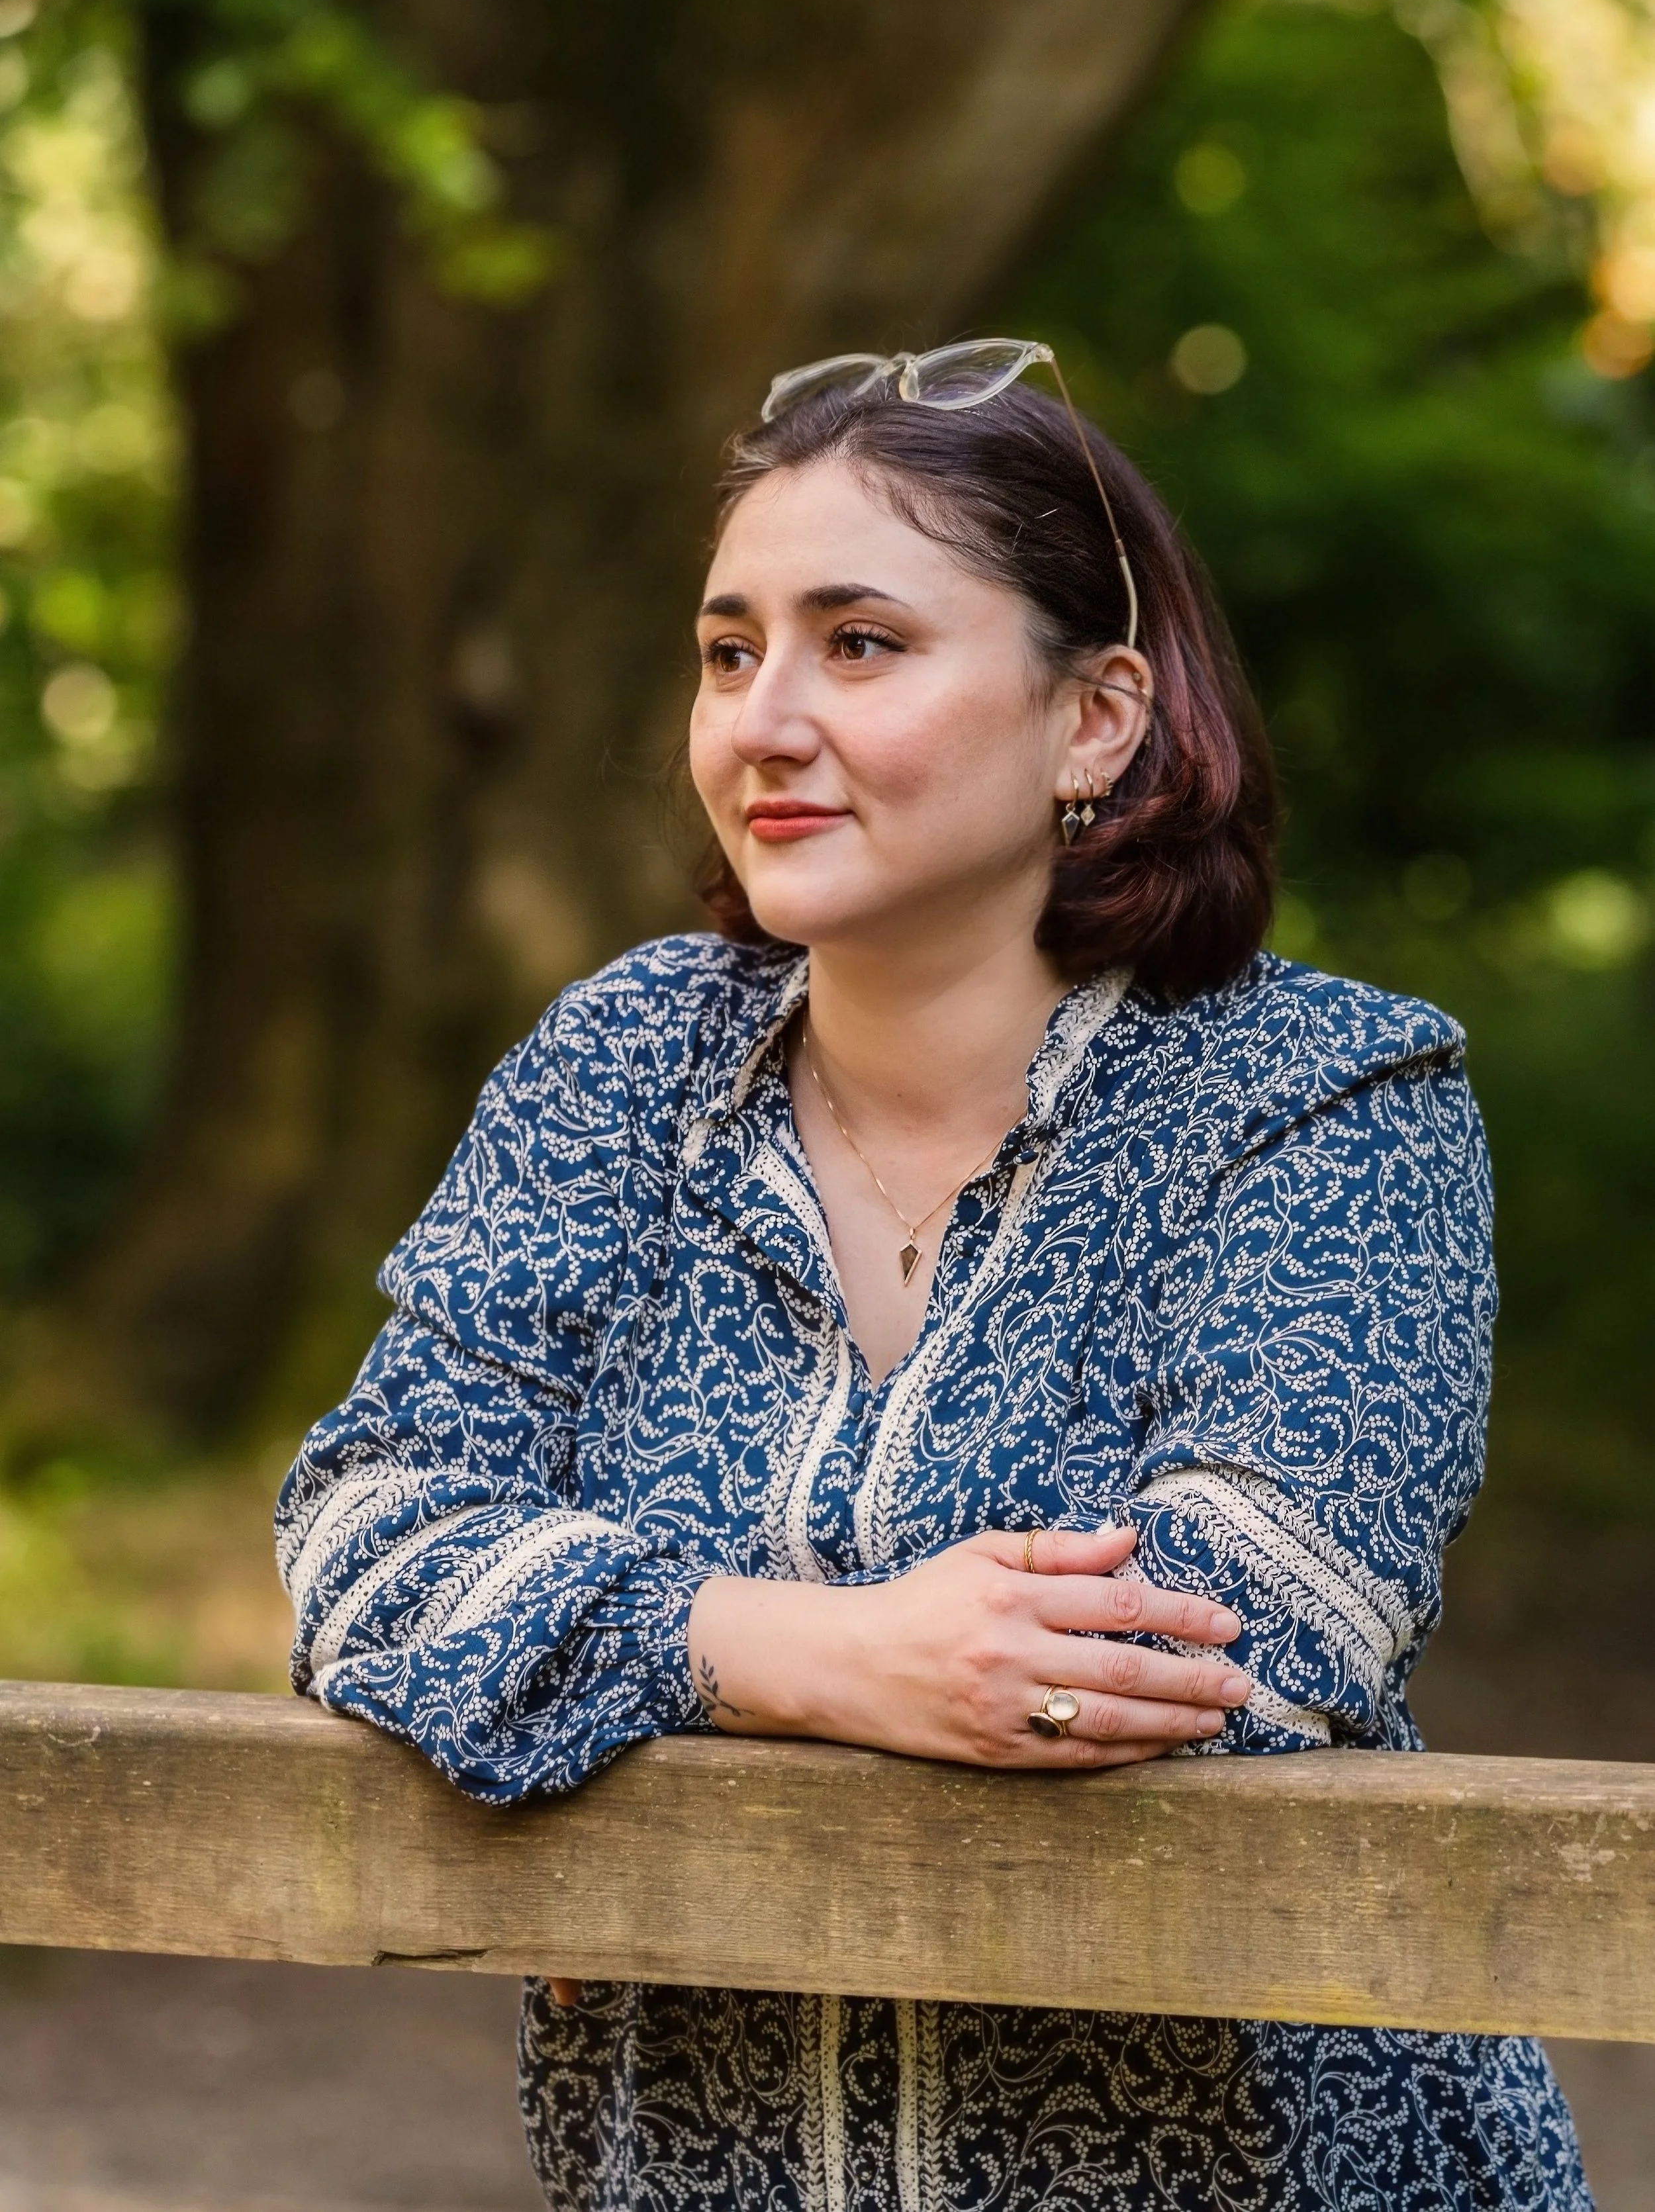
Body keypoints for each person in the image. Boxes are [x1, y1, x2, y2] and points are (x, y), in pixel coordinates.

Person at [276, 341, 1589, 2210]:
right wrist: (822, 1655)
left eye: (860, 643)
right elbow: (367, 1528)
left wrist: (592, 1648)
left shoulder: (1322, 1093)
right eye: (730, 650)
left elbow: (1254, 1632)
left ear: (1096, 719)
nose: (761, 720)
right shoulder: (618, 1062)